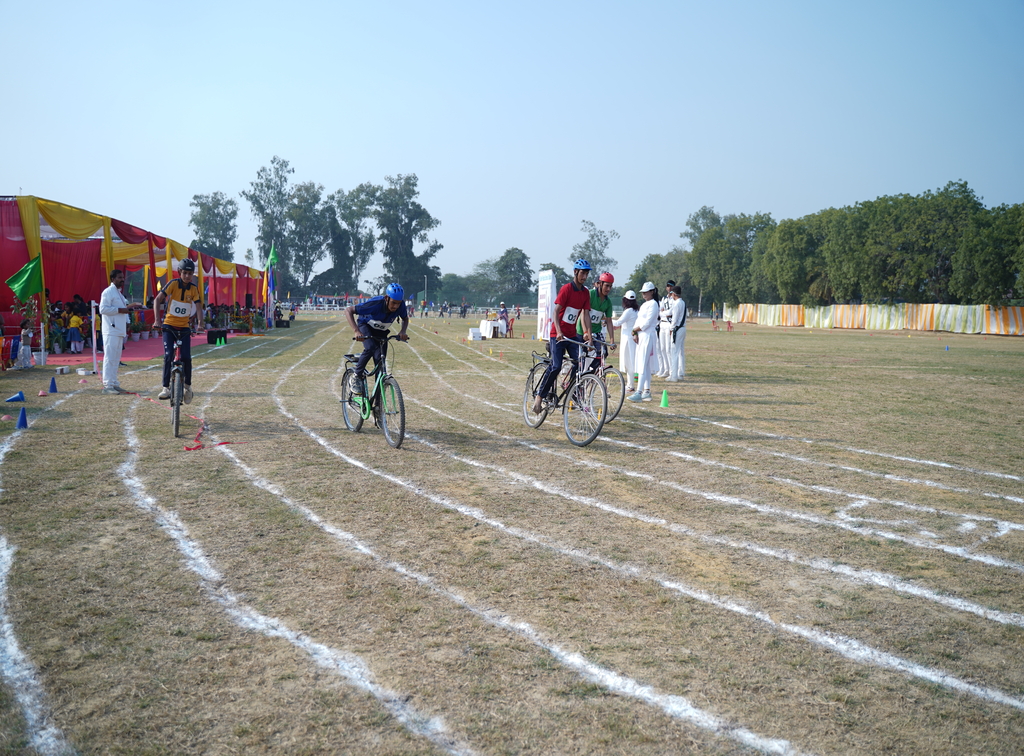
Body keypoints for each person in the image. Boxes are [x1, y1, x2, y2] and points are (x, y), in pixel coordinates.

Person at [532, 259, 594, 414]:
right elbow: (555, 312)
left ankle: (572, 391)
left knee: (580, 363)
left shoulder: (585, 293)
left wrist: (589, 336)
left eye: (586, 274)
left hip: (572, 336)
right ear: (575, 272)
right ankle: (540, 396)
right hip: (558, 335)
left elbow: (586, 315)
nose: (584, 276)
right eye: (582, 273)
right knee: (556, 366)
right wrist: (558, 331)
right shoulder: (566, 289)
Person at [344, 283, 409, 395]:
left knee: (380, 364)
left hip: (381, 331)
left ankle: (378, 403)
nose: (396, 306)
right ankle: (356, 376)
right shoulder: (375, 304)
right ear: (386, 298)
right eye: (393, 303)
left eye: (398, 303)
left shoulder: (401, 306)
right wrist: (356, 330)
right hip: (366, 326)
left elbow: (405, 318)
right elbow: (348, 310)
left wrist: (403, 331)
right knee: (370, 347)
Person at [154, 258, 202, 404]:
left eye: (190, 273)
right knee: (168, 355)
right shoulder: (173, 284)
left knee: (186, 357)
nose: (187, 276)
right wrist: (157, 320)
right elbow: (157, 299)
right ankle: (165, 388)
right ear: (179, 272)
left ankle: (187, 387)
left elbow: (198, 306)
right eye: (185, 273)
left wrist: (200, 324)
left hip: (184, 328)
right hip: (169, 326)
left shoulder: (193, 289)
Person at [98, 269, 140, 392]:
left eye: (122, 277)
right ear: (113, 279)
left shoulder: (119, 294)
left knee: (116, 358)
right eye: (119, 277)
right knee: (110, 358)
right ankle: (108, 385)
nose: (122, 279)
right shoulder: (108, 292)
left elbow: (124, 309)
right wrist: (121, 310)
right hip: (111, 330)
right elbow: (103, 309)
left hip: (119, 330)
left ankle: (114, 383)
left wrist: (127, 320)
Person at [628, 282, 659, 402]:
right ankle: (646, 391)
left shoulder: (653, 304)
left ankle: (639, 392)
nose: (644, 294)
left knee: (642, 364)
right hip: (641, 335)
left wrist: (634, 330)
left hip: (648, 336)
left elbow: (647, 323)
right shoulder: (645, 305)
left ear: (652, 292)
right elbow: (639, 320)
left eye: (646, 292)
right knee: (644, 365)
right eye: (643, 292)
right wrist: (635, 332)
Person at [612, 291, 639, 393]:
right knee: (630, 362)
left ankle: (630, 386)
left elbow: (618, 322)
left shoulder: (628, 311)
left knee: (629, 363)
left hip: (628, 339)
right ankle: (629, 385)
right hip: (631, 338)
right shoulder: (636, 310)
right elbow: (625, 323)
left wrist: (607, 320)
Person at [667, 285, 687, 381]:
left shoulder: (676, 304)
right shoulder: (683, 302)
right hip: (682, 328)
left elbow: (674, 319)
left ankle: (674, 375)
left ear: (674, 294)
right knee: (680, 351)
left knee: (674, 352)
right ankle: (680, 372)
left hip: (677, 329)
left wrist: (671, 329)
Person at [656, 279, 675, 378]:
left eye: (671, 286)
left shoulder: (674, 299)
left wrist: (664, 313)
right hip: (662, 323)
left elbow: (671, 312)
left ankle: (672, 371)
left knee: (668, 349)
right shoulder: (664, 298)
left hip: (669, 324)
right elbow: (660, 311)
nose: (669, 288)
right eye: (668, 286)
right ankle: (666, 369)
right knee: (662, 348)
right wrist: (664, 313)